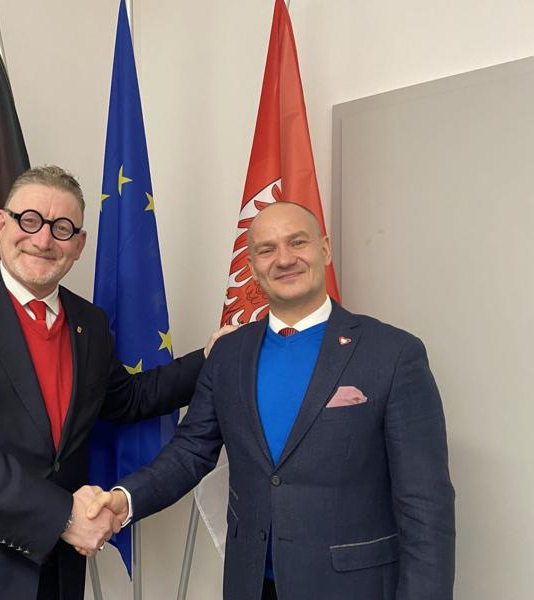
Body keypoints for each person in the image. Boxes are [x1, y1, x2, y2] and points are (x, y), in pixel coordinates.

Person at [0, 165, 233, 600]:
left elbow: (126, 399)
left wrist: (209, 359)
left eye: (61, 228)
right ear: (0, 225)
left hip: (51, 571)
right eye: (29, 221)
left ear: (79, 244)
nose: (42, 240)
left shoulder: (88, 322)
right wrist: (64, 517)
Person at [87, 201, 455, 600]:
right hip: (251, 585)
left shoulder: (393, 353)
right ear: (252, 265)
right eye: (267, 249)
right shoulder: (228, 354)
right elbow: (190, 451)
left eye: (297, 242)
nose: (284, 259)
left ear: (324, 249)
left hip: (352, 587)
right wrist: (124, 500)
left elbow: (425, 503)